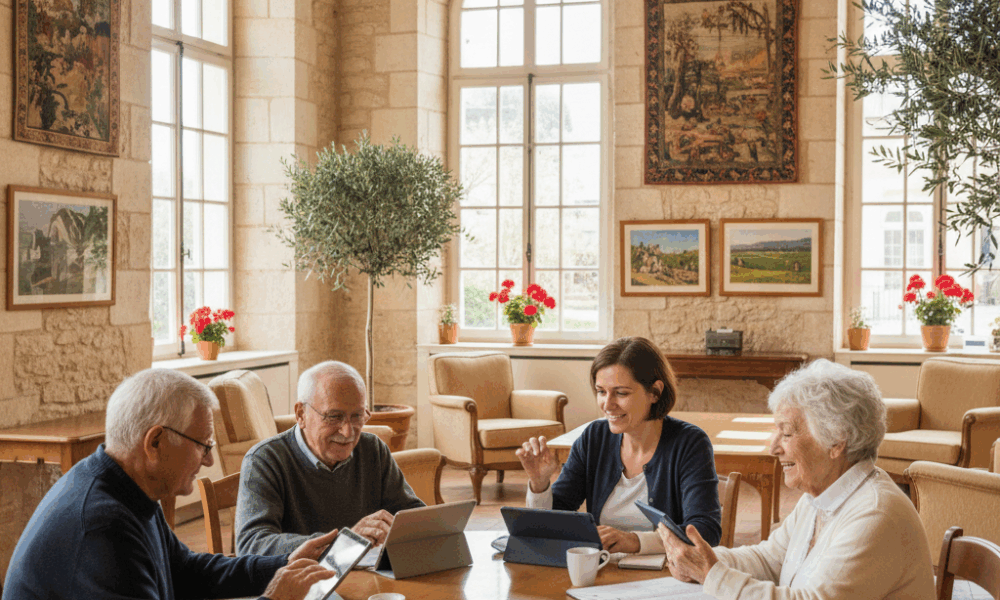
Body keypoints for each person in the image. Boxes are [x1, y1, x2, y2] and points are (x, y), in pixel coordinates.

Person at [2, 369, 337, 600]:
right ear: (156, 442)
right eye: (204, 445)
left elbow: (186, 570)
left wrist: (285, 562)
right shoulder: (102, 526)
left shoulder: (125, 486)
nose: (208, 460)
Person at [659, 359, 935, 599]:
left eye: (787, 433)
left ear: (836, 441)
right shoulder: (820, 498)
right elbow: (769, 560)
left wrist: (712, 575)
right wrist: (704, 558)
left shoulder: (874, 515)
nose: (774, 447)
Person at [517, 337, 722, 554]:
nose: (607, 404)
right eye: (601, 391)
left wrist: (635, 542)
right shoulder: (594, 438)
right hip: (602, 573)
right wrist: (539, 485)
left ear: (655, 392)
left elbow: (705, 531)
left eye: (621, 393)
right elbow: (552, 524)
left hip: (668, 577)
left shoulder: (689, 443)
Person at [236, 361, 424, 556]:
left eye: (357, 416)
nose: (348, 431)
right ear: (301, 414)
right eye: (334, 417)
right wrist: (345, 541)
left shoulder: (372, 449)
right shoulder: (265, 460)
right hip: (302, 582)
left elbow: (409, 513)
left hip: (368, 578)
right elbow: (252, 545)